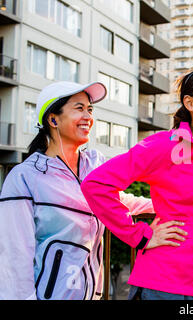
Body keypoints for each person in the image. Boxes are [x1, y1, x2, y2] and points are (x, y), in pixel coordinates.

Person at [80, 67, 193, 300]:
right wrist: (140, 235)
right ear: (189, 102)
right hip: (159, 287)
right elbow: (95, 184)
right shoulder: (162, 145)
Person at [0, 81, 155, 300]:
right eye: (79, 108)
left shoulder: (94, 165)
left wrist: (170, 206)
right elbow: (14, 255)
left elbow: (117, 201)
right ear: (53, 119)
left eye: (90, 109)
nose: (88, 117)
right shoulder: (25, 177)